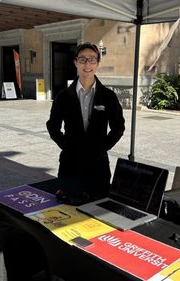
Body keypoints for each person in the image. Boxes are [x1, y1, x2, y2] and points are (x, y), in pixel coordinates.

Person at [46, 42, 125, 196]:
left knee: (98, 208)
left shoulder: (108, 96)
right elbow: (52, 126)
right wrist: (66, 146)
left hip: (98, 165)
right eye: (82, 59)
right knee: (68, 210)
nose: (87, 64)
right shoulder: (63, 96)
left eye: (92, 59)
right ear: (75, 62)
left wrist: (103, 147)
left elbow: (118, 126)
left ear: (98, 63)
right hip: (70, 164)